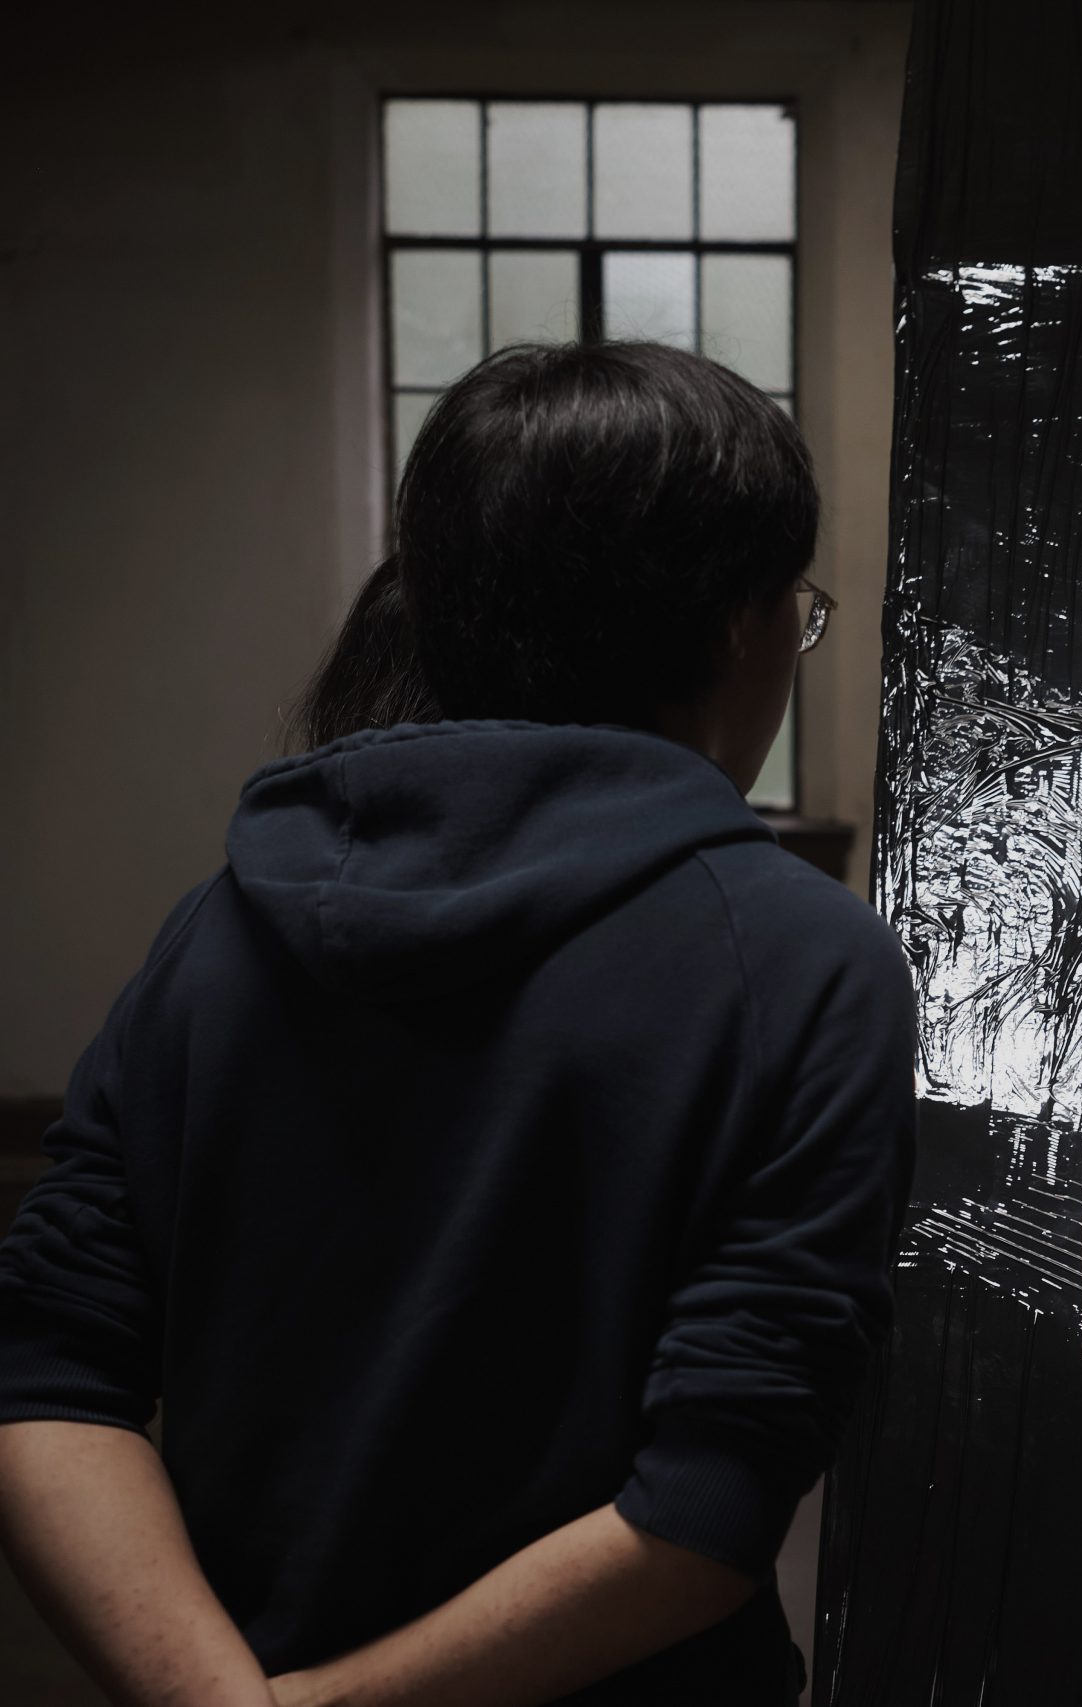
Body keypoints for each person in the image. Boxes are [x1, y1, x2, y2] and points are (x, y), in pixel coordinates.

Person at [0, 341, 913, 1705]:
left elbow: (46, 1372)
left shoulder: (224, 920)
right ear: (741, 623)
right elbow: (705, 1502)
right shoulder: (801, 959)